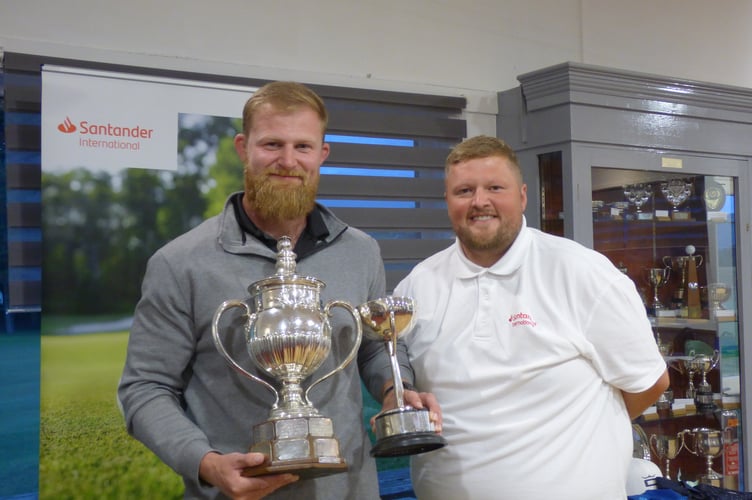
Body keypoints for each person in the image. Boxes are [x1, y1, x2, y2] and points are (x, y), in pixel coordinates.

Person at [118, 81, 439, 500]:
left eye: (303, 147)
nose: (288, 161)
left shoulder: (360, 251)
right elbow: (145, 388)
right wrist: (206, 463)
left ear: (322, 155)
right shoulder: (179, 264)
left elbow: (374, 347)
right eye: (272, 144)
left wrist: (394, 389)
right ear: (242, 147)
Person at [393, 135, 670, 499]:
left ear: (522, 196)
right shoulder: (417, 286)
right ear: (447, 200)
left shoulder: (581, 272)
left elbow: (649, 383)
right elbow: (401, 384)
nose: (480, 201)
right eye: (464, 190)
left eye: (495, 187)